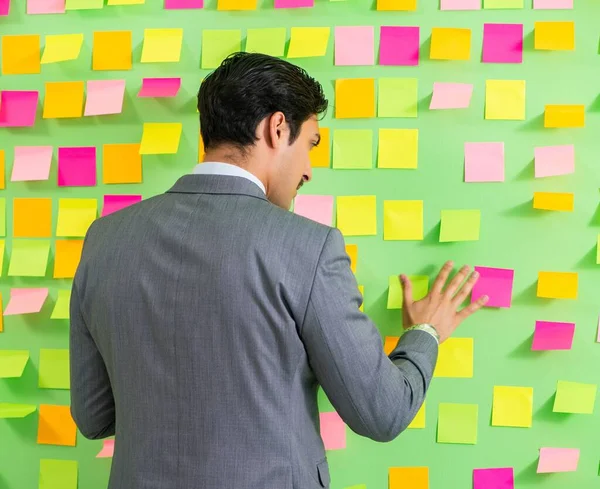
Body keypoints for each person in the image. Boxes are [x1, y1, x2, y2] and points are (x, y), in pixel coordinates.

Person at [69, 52, 488, 489]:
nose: (308, 170)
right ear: (277, 127)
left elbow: (94, 417)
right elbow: (382, 413)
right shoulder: (309, 247)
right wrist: (425, 334)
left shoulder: (104, 240)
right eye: (310, 144)